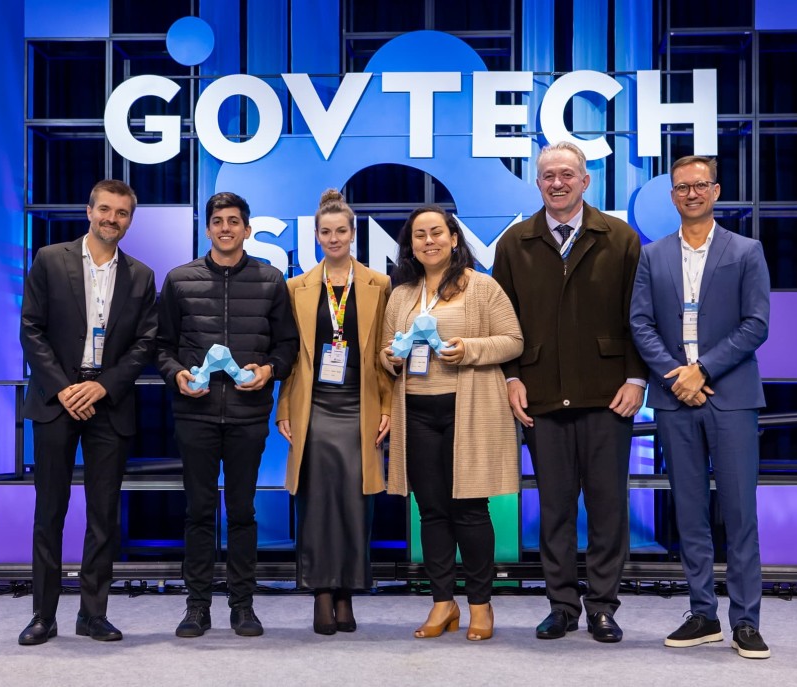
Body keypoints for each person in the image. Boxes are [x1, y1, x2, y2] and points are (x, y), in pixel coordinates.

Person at [493, 141, 646, 643]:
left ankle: (603, 606)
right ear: (537, 183)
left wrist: (637, 378)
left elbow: (640, 316)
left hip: (609, 395)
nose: (556, 183)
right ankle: (561, 605)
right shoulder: (514, 243)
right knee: (554, 508)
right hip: (541, 395)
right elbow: (503, 321)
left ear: (585, 181)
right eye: (547, 176)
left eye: (566, 174)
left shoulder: (620, 238)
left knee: (607, 507)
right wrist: (511, 377)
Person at [630, 155, 771, 659]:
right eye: (682, 187)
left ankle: (746, 621)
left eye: (700, 185)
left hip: (730, 397)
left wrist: (703, 370)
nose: (691, 193)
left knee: (739, 513)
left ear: (715, 191)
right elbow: (640, 323)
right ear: (673, 196)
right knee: (689, 513)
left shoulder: (746, 250)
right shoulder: (653, 255)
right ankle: (703, 614)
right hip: (674, 399)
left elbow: (756, 324)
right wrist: (677, 376)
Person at [18, 179, 158, 645]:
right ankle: (43, 615)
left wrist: (101, 386)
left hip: (108, 402)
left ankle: (92, 614)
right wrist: (64, 389)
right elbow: (31, 329)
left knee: (103, 514)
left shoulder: (141, 275)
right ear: (89, 210)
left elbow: (145, 344)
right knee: (49, 511)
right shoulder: (49, 259)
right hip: (56, 401)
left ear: (130, 220)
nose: (111, 218)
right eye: (105, 209)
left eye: (121, 213)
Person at [155, 192, 299, 639]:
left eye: (234, 221)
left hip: (247, 416)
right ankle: (197, 606)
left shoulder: (271, 280)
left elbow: (288, 346)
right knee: (198, 512)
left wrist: (269, 370)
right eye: (218, 221)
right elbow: (161, 347)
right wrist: (176, 374)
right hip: (194, 415)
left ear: (247, 229)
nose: (225, 228)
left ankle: (243, 606)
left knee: (242, 512)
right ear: (208, 229)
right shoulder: (179, 280)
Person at [380, 205, 523, 642]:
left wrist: (469, 349)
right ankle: (443, 602)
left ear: (454, 238)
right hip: (417, 412)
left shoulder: (482, 286)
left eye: (437, 232)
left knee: (470, 510)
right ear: (410, 245)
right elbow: (386, 350)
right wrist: (390, 357)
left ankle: (480, 604)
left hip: (468, 410)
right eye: (419, 235)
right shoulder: (402, 294)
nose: (429, 241)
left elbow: (513, 341)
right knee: (431, 511)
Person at [276, 189, 392, 634]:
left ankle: (348, 592)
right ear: (316, 235)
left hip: (360, 407)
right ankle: (321, 593)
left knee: (355, 504)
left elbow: (384, 354)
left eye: (341, 230)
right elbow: (290, 357)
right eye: (325, 232)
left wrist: (387, 406)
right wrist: (284, 408)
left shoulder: (379, 285)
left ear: (353, 233)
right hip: (314, 407)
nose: (333, 238)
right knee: (316, 503)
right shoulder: (296, 288)